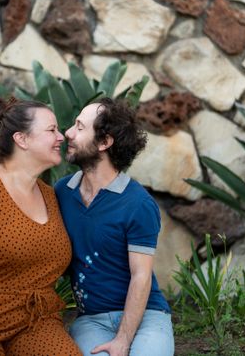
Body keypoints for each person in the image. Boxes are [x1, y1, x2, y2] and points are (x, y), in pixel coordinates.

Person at [0, 96, 81, 356]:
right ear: (22, 139)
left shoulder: (50, 196)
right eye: (51, 130)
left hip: (35, 321)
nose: (61, 137)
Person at [55, 97, 174, 356]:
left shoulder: (138, 204)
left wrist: (122, 340)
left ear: (104, 142)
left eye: (79, 127)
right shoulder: (62, 192)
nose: (68, 133)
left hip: (147, 316)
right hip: (92, 320)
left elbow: (140, 276)